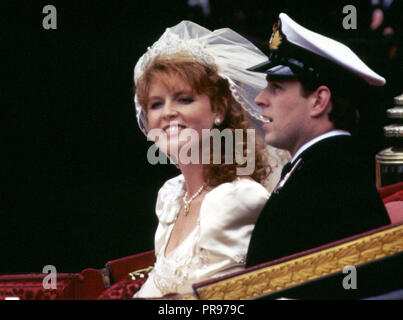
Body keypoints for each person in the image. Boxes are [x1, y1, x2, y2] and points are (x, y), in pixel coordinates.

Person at [132, 20, 289, 297]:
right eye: (156, 104)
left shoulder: (235, 198)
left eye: (183, 99)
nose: (167, 112)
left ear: (218, 109)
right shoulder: (171, 197)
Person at [246, 13, 391, 268]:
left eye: (276, 87)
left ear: (319, 100)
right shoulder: (321, 165)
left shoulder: (331, 176)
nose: (260, 98)